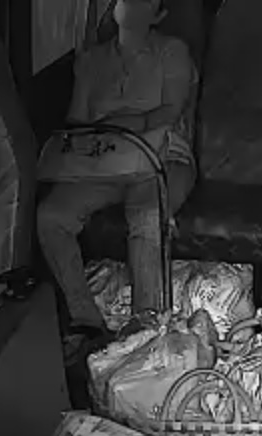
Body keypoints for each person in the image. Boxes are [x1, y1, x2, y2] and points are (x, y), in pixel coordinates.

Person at [37, 0, 196, 358]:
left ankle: (146, 328)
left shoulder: (171, 51)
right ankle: (86, 321)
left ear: (159, 15)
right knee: (51, 217)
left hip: (161, 159)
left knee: (147, 217)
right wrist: (108, 130)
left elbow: (170, 110)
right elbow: (78, 120)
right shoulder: (91, 60)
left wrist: (120, 123)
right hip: (104, 162)